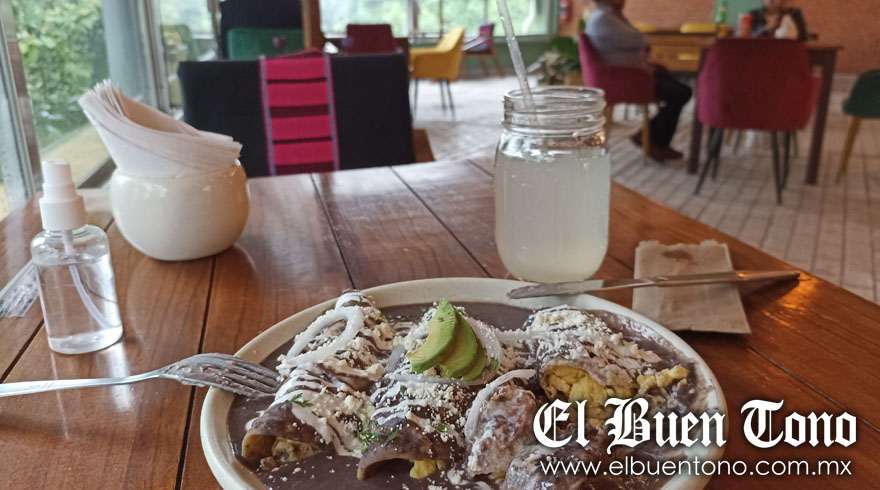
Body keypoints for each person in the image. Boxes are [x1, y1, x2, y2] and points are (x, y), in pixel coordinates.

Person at [585, 0, 692, 161]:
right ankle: (654, 140)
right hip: (624, 81)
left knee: (679, 88)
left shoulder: (611, 16)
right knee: (680, 92)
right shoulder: (603, 19)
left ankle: (652, 138)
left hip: (633, 77)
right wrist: (643, 42)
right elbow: (638, 39)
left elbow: (638, 38)